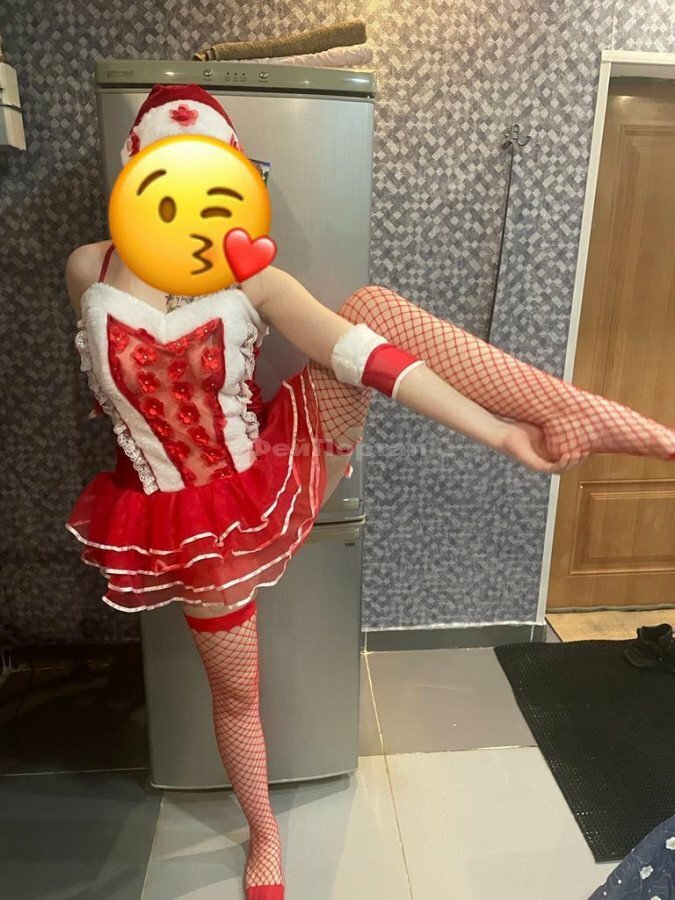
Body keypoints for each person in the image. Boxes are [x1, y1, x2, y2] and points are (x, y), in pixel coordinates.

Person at [64, 83, 675, 900]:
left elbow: (368, 357)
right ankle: (264, 835)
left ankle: (589, 415)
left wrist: (499, 433)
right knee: (235, 693)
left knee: (371, 308)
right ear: (136, 168)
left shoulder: (255, 280)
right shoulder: (89, 269)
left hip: (269, 472)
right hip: (173, 519)